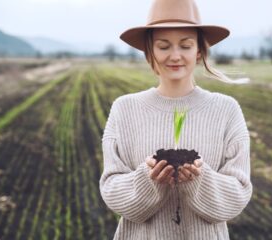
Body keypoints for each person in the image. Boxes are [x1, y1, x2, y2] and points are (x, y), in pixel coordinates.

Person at [99, 0, 252, 239]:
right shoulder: (124, 109)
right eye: (163, 46)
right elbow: (111, 188)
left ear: (199, 50)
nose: (175, 56)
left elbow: (239, 193)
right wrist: (149, 180)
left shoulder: (226, 110)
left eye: (186, 45)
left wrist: (199, 180)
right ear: (149, 50)